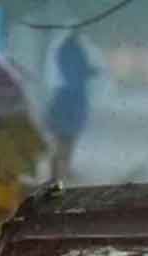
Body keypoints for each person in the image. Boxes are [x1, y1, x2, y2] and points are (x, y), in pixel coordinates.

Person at [46, 32, 97, 180]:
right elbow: (75, 73)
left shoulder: (64, 50)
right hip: (70, 101)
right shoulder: (73, 51)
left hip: (64, 100)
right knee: (65, 140)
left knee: (63, 140)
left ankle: (60, 172)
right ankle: (59, 172)